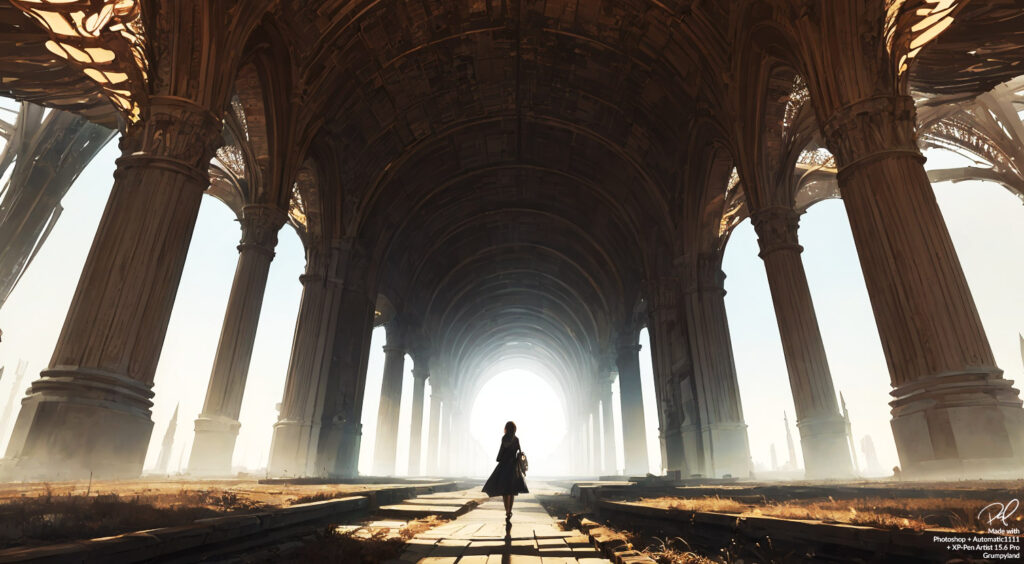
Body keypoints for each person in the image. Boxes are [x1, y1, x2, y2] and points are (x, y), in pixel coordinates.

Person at [482, 420, 528, 524]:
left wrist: (499, 458)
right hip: (513, 467)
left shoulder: (504, 438)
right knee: (511, 491)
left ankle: (507, 511)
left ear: (506, 428)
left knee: (504, 490)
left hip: (503, 466)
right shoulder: (516, 439)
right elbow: (520, 452)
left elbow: (501, 450)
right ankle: (509, 511)